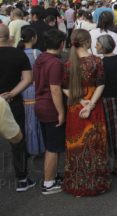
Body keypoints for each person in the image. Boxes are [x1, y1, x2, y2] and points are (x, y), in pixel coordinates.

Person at [62, 29, 111, 196]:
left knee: (76, 145)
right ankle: (95, 182)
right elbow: (101, 84)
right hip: (93, 105)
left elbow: (65, 88)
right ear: (87, 42)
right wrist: (90, 105)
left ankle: (76, 183)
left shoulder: (68, 64)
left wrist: (80, 101)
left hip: (75, 108)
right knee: (95, 144)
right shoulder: (96, 61)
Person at [0, 24, 35, 192]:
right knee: (18, 140)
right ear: (9, 37)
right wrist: (11, 94)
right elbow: (28, 79)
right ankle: (22, 178)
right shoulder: (19, 54)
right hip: (13, 101)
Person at [33, 28, 66, 195]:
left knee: (50, 145)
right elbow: (55, 89)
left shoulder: (40, 58)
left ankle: (52, 176)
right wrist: (61, 111)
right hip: (50, 106)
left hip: (39, 104)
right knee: (53, 147)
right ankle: (48, 182)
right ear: (61, 44)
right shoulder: (55, 63)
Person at [96, 34, 117, 177]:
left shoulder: (101, 63)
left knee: (105, 131)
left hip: (104, 100)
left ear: (103, 47)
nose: (96, 46)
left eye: (97, 44)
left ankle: (107, 162)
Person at [18, 27, 45, 156]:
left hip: (22, 88)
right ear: (33, 38)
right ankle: (38, 147)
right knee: (36, 119)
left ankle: (28, 147)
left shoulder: (19, 53)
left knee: (27, 119)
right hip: (35, 88)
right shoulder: (37, 53)